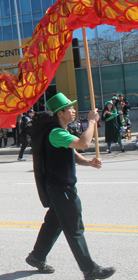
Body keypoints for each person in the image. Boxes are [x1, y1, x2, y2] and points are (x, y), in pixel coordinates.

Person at [26, 93, 115, 280]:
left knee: (53, 224)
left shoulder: (60, 133)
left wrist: (89, 163)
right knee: (75, 229)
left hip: (59, 188)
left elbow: (73, 154)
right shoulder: (56, 133)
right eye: (70, 108)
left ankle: (36, 257)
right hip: (62, 189)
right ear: (60, 113)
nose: (74, 111)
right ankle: (90, 270)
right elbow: (83, 143)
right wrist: (92, 122)